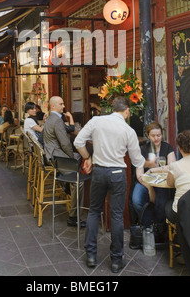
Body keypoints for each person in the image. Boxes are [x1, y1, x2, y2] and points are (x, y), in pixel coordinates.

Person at [74, 96, 145, 273]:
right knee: (117, 216)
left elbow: (78, 142)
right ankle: (116, 260)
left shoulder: (96, 121)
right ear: (126, 111)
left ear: (113, 108)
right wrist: (141, 175)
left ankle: (90, 255)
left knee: (93, 212)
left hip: (99, 172)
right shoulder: (128, 130)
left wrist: (87, 157)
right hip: (117, 174)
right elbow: (137, 160)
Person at [43, 96, 85, 228]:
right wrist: (70, 158)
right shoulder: (57, 120)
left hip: (51, 154)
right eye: (61, 104)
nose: (64, 106)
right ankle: (73, 217)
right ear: (53, 106)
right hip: (56, 157)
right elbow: (65, 143)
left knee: (78, 158)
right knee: (79, 181)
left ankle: (67, 185)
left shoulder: (51, 118)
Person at [132, 121, 176, 226]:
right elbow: (139, 174)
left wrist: (153, 169)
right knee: (136, 200)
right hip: (145, 182)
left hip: (163, 182)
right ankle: (148, 224)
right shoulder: (143, 149)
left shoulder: (167, 147)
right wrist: (150, 189)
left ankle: (158, 228)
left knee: (161, 204)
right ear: (148, 136)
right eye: (153, 136)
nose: (156, 138)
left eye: (159, 135)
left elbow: (172, 167)